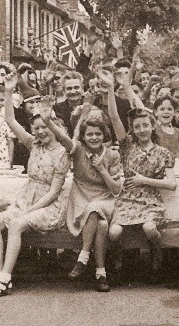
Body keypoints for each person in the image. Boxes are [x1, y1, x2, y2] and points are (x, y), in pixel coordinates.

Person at [0, 76, 71, 297]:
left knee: (16, 224)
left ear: (54, 127)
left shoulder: (62, 153)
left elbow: (53, 193)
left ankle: (4, 278)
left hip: (48, 206)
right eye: (36, 127)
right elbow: (11, 121)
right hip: (26, 199)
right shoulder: (33, 144)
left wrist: (30, 210)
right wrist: (10, 91)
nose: (40, 132)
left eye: (45, 127)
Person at [110, 104, 177, 278]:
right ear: (132, 129)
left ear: (153, 125)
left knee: (149, 228)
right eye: (137, 126)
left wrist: (144, 180)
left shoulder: (163, 153)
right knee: (114, 232)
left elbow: (172, 184)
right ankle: (118, 259)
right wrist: (110, 88)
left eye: (145, 125)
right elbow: (114, 118)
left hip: (150, 200)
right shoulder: (127, 146)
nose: (142, 130)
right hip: (127, 198)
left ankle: (156, 256)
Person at [61, 110, 123, 293]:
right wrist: (48, 121)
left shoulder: (112, 155)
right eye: (89, 134)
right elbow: (64, 139)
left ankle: (83, 257)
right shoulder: (78, 151)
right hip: (81, 199)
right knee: (102, 226)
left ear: (104, 135)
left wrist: (102, 170)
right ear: (83, 136)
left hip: (105, 200)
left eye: (98, 133)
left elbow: (116, 189)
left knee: (95, 208)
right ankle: (101, 273)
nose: (94, 137)